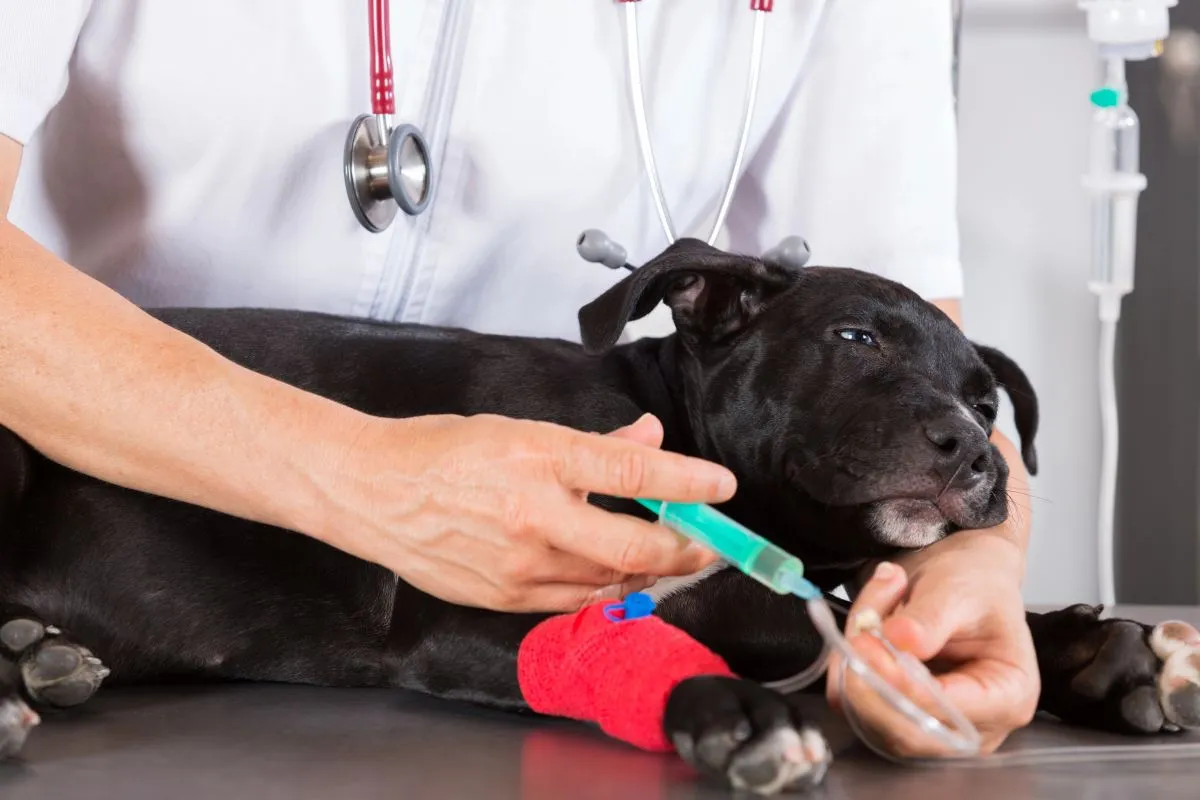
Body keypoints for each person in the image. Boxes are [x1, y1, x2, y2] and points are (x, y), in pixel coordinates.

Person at [0, 1, 1036, 753]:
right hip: (81, 453)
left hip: (500, 676)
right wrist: (362, 473)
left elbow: (903, 334)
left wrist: (964, 578)